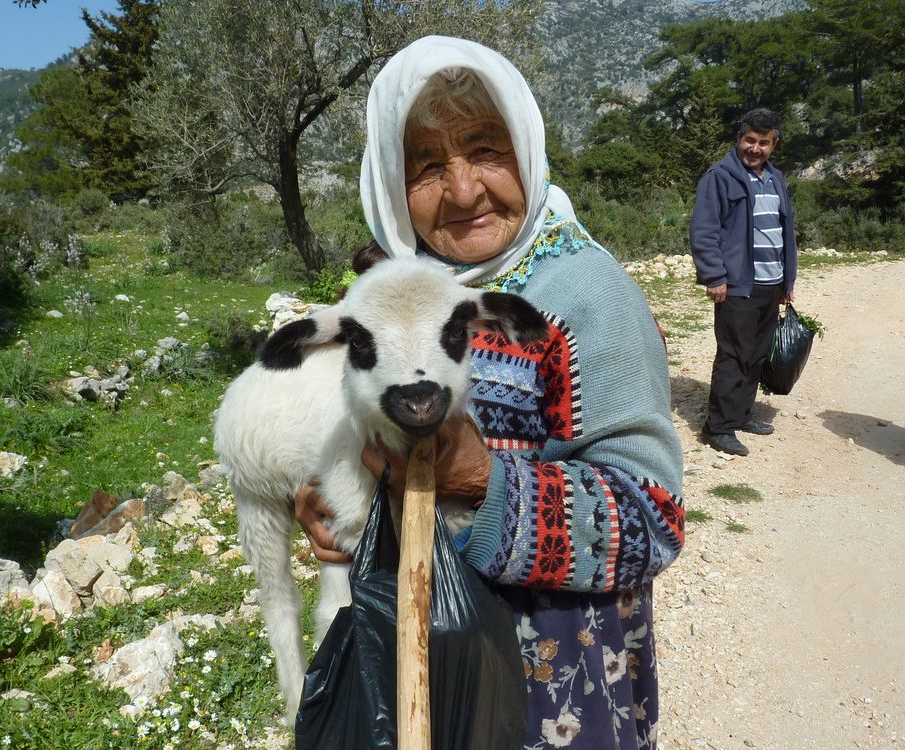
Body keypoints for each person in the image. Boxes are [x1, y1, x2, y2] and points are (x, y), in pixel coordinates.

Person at [296, 36, 684, 749]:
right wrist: (335, 494)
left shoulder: (584, 297)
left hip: (553, 697)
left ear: (525, 147)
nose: (465, 189)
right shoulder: (388, 299)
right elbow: (364, 440)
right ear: (388, 179)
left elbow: (653, 520)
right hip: (420, 677)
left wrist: (480, 481)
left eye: (484, 149)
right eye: (427, 165)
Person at [690, 108, 798, 457]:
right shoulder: (719, 177)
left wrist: (787, 280)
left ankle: (742, 414)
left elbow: (785, 233)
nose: (755, 148)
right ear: (739, 138)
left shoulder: (776, 178)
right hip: (736, 284)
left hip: (771, 283)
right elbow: (704, 231)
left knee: (756, 354)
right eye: (749, 140)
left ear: (774, 145)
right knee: (733, 355)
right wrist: (715, 276)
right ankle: (718, 427)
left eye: (763, 143)